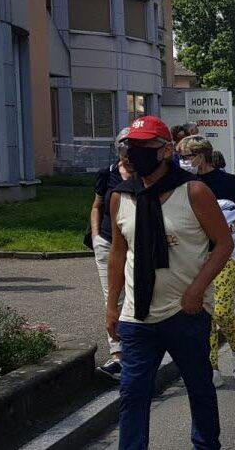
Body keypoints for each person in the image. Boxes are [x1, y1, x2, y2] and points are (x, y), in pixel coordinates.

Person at [105, 116, 234, 450]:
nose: (134, 153)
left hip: (185, 313)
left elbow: (223, 244)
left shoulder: (193, 191)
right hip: (137, 316)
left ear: (164, 151)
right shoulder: (121, 196)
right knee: (132, 394)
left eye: (143, 146)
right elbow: (119, 254)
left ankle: (206, 445)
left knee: (199, 388)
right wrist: (111, 306)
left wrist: (197, 289)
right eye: (129, 146)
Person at [177, 136, 235, 387]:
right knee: (203, 313)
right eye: (181, 157)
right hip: (192, 257)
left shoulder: (225, 181)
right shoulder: (181, 183)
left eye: (187, 156)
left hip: (224, 255)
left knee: (221, 311)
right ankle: (211, 365)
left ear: (202, 156)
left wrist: (229, 227)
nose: (183, 162)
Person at [90, 128, 133, 380]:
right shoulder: (107, 173)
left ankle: (135, 350)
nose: (127, 155)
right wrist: (96, 236)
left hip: (134, 243)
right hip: (107, 241)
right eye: (124, 150)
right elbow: (96, 206)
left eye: (131, 150)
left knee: (133, 294)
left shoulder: (144, 175)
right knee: (112, 297)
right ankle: (117, 355)